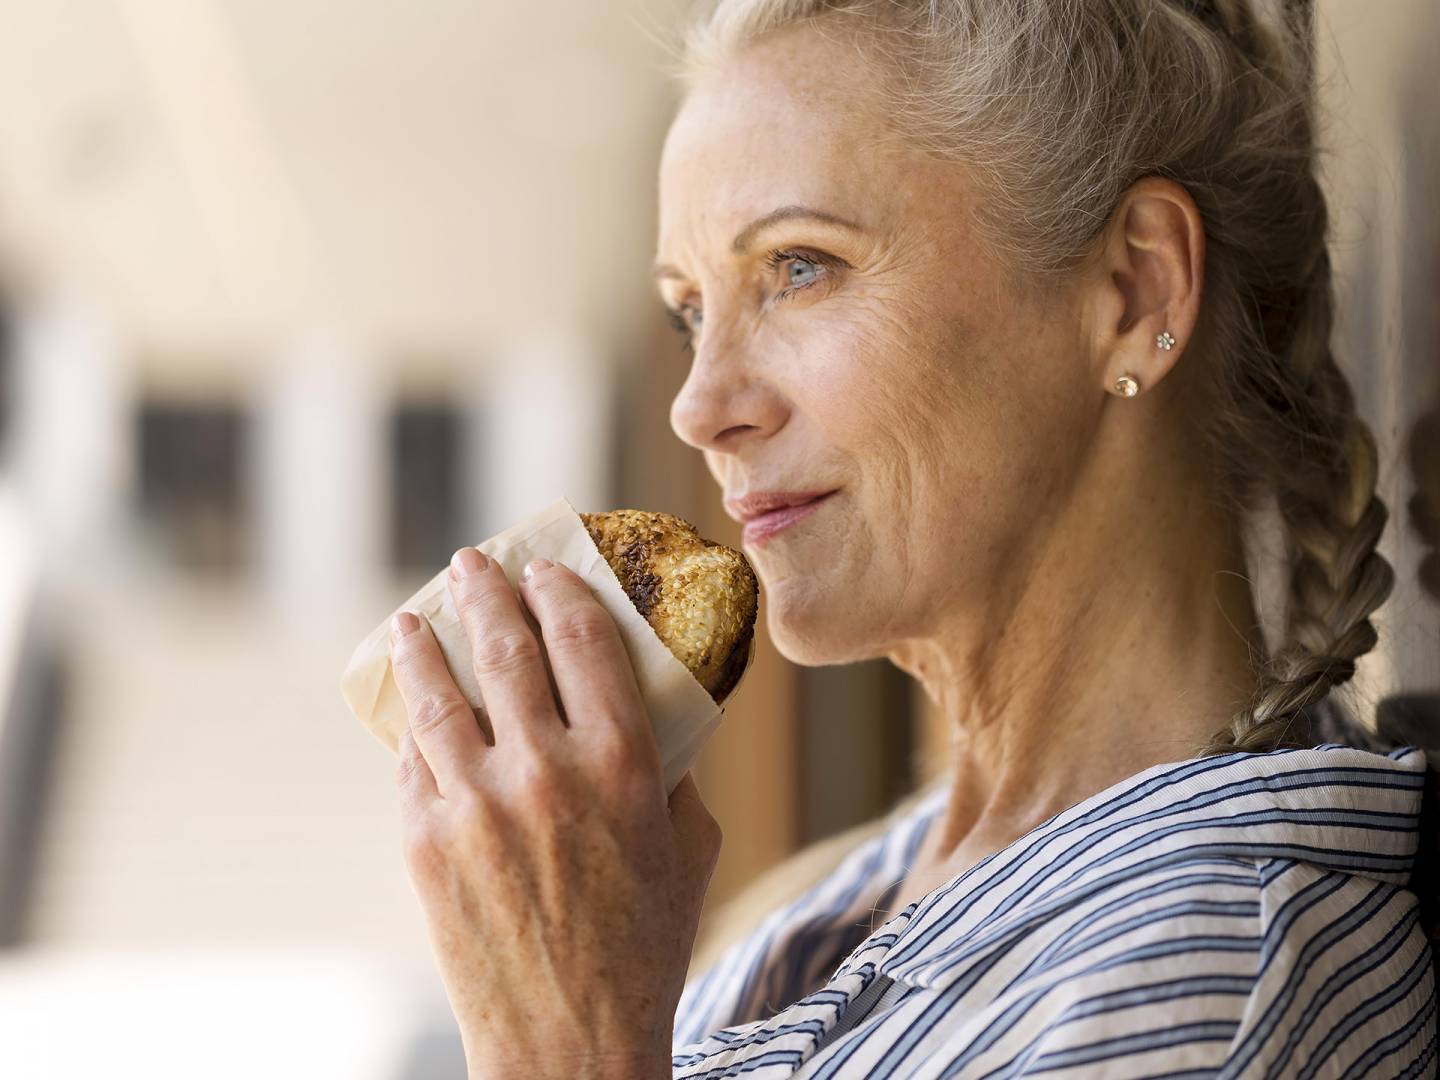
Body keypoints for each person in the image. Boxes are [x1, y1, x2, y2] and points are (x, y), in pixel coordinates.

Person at [381, 0, 1436, 1076]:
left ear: (1133, 292)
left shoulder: (1199, 993)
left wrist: (562, 1045)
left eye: (799, 267)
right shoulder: (845, 895)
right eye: (691, 310)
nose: (699, 407)